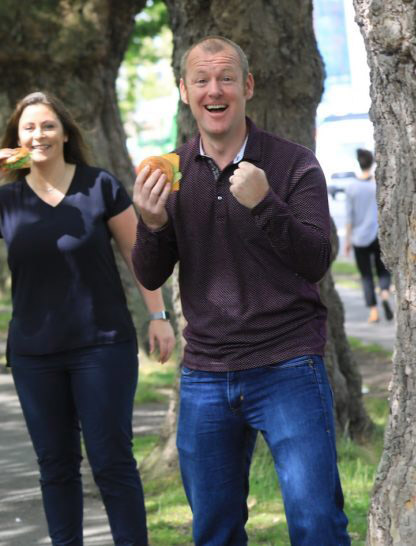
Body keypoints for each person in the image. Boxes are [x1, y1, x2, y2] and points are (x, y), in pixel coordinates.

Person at [131, 36, 350, 545]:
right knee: (214, 530)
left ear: (247, 86)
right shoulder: (170, 171)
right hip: (207, 375)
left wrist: (266, 203)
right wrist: (152, 222)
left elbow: (316, 260)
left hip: (288, 366)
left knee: (317, 523)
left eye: (227, 77)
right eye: (202, 80)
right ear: (184, 91)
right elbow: (149, 272)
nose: (215, 89)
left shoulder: (294, 163)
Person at [0, 91, 175, 546]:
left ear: (66, 133)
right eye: (28, 128)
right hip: (35, 353)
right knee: (55, 465)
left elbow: (140, 256)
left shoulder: (100, 186)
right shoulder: (8, 199)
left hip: (102, 345)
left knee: (111, 460)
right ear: (16, 138)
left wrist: (159, 315)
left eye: (48, 126)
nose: (39, 135)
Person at [344, 148, 393, 322]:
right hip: (379, 235)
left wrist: (347, 240)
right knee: (383, 271)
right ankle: (385, 294)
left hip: (359, 238)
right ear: (372, 163)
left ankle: (373, 311)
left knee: (366, 275)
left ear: (359, 163)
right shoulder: (377, 184)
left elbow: (349, 217)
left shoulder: (351, 187)